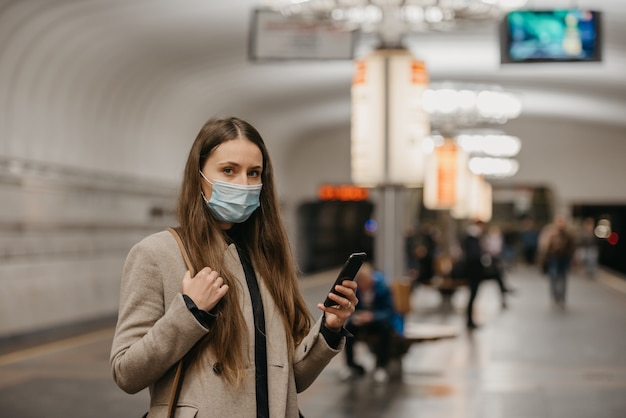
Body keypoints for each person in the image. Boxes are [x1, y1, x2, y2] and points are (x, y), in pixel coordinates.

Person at [110, 117, 358, 418]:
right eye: (229, 170)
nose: (244, 184)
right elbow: (126, 373)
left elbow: (290, 382)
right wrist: (189, 311)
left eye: (254, 173)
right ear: (199, 175)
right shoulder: (156, 254)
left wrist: (330, 330)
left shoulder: (268, 257)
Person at [343, 262, 395, 383]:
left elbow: (389, 311)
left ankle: (382, 366)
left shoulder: (382, 287)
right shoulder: (357, 289)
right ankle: (351, 365)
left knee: (385, 330)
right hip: (362, 320)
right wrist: (356, 316)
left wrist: (372, 316)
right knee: (348, 329)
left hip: (378, 320)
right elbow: (352, 308)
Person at [544, 215, 576, 308]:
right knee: (553, 278)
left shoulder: (568, 234)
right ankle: (555, 297)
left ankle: (561, 297)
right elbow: (545, 246)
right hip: (553, 258)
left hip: (564, 258)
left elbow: (572, 247)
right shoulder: (551, 233)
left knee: (562, 278)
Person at [460, 220, 486, 330]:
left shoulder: (471, 238)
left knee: (472, 296)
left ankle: (470, 320)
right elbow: (474, 256)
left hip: (472, 270)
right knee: (472, 295)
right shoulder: (472, 239)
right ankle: (469, 321)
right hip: (473, 271)